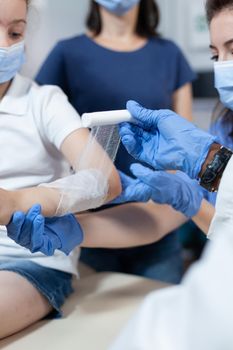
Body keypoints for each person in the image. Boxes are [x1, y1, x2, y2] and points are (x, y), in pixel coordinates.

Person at [35, 0, 196, 284]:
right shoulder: (67, 53)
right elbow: (39, 133)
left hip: (156, 222)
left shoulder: (169, 55)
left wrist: (174, 192)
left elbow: (185, 148)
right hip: (88, 226)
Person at [108, 0, 233, 347]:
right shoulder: (226, 123)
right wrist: (192, 202)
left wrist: (211, 163)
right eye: (215, 55)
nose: (223, 66)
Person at [0, 0, 123, 339]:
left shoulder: (43, 101)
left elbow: (103, 179)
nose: (5, 45)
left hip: (28, 261)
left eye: (15, 32)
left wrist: (16, 203)